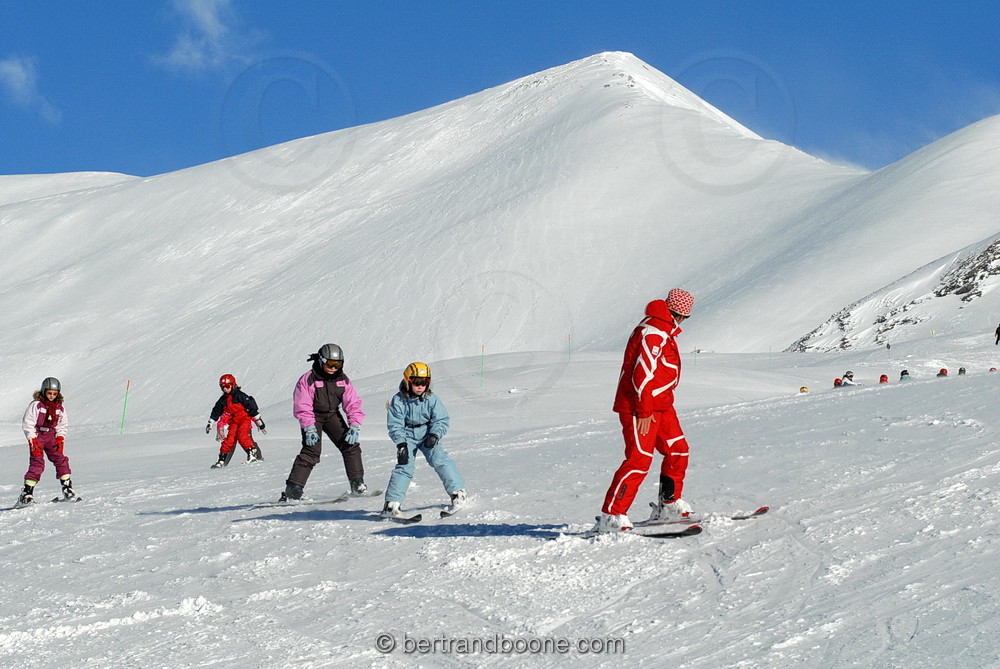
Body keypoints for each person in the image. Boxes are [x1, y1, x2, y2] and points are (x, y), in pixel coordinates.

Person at [597, 288, 695, 533]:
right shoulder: (653, 332)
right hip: (639, 405)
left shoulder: (664, 330)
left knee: (678, 450)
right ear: (679, 314)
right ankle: (612, 515)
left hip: (662, 404)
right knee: (639, 459)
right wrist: (644, 410)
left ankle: (668, 505)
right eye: (685, 317)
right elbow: (642, 373)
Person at [280, 344, 367, 501]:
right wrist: (309, 428)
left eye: (338, 364)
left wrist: (354, 424)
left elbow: (352, 403)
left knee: (350, 446)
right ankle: (293, 489)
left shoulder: (343, 380)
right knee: (312, 451)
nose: (334, 368)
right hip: (313, 416)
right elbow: (302, 405)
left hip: (332, 415)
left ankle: (357, 484)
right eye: (330, 364)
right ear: (321, 361)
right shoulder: (309, 379)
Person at [381, 362, 466, 518]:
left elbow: (441, 419)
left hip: (427, 433)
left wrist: (434, 435)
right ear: (408, 381)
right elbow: (395, 425)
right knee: (404, 465)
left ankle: (458, 494)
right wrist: (401, 443)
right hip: (407, 435)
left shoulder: (431, 399)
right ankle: (392, 505)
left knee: (440, 459)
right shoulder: (398, 400)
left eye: (424, 383)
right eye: (416, 383)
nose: (420, 387)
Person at [17, 377, 76, 505]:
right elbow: (28, 422)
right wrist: (32, 439)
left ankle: (67, 488)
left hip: (51, 436)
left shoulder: (59, 407)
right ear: (44, 391)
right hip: (38, 436)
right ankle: (26, 494)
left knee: (60, 459)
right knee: (37, 463)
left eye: (55, 394)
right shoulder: (36, 405)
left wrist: (60, 438)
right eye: (49, 393)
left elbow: (62, 425)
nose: (51, 396)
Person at [206, 374, 265, 468]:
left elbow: (251, 405)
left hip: (244, 420)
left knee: (243, 436)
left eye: (227, 387)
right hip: (233, 422)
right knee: (229, 440)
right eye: (222, 387)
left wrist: (258, 419)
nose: (225, 389)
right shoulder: (223, 400)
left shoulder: (239, 396)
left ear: (233, 385)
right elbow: (216, 410)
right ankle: (221, 460)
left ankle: (252, 453)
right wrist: (211, 422)